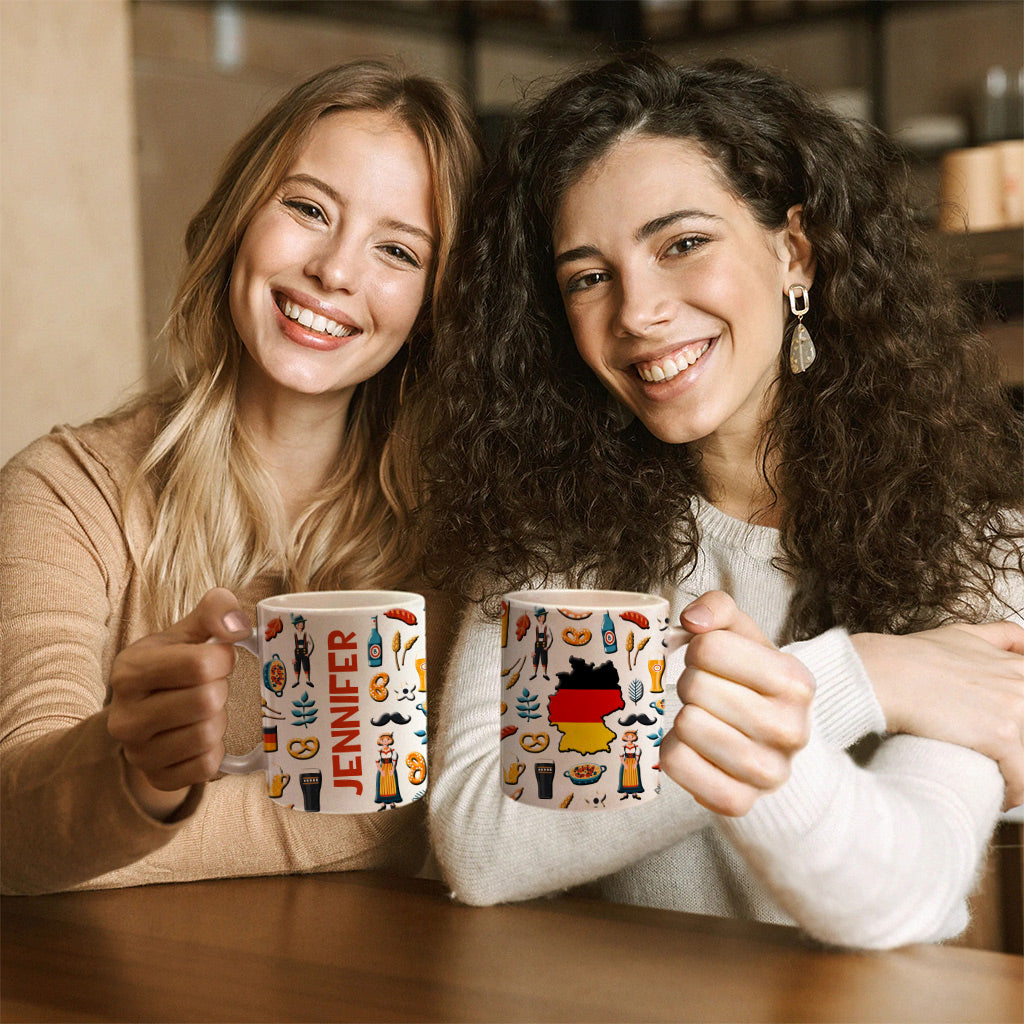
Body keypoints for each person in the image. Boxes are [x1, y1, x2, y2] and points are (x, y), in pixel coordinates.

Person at [413, 53, 1024, 949]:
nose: (637, 311)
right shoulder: (555, 543)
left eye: (682, 244)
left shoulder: (977, 547)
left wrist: (773, 694)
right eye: (588, 275)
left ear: (794, 252)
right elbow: (482, 845)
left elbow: (900, 892)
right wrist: (858, 677)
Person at [0, 60, 482, 895]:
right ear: (237, 220)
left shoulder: (459, 531)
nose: (335, 270)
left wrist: (122, 833)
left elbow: (423, 806)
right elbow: (16, 824)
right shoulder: (65, 492)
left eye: (397, 250)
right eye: (307, 209)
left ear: (434, 304)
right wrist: (137, 777)